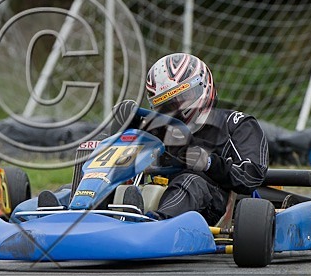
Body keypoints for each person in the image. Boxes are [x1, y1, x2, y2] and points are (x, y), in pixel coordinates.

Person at [73, 52, 267, 224]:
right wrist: (123, 127)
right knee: (96, 150)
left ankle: (155, 224)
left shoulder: (235, 124)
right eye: (166, 105)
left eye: (182, 99)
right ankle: (73, 210)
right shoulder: (157, 129)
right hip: (155, 193)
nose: (176, 109)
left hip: (211, 203)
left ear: (202, 87)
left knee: (190, 181)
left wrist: (208, 162)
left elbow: (252, 175)